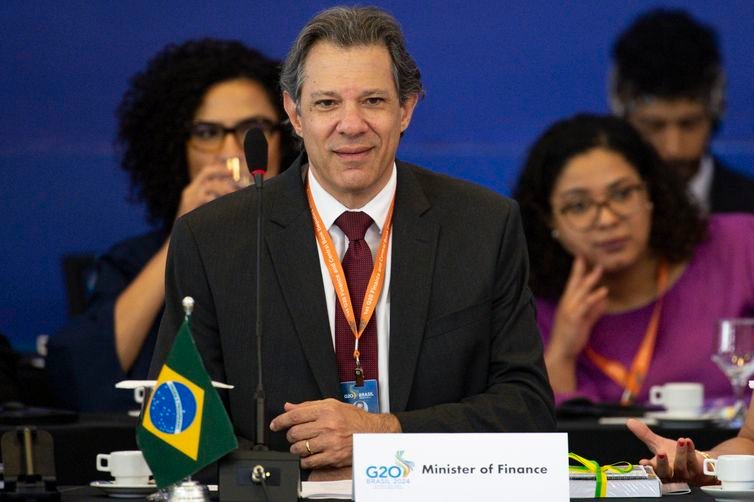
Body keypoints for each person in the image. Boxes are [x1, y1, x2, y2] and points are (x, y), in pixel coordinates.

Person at [151, 6, 555, 481]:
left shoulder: (483, 227)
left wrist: (383, 433)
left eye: (373, 101)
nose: (351, 124)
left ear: (406, 109)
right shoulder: (213, 239)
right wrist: (296, 478)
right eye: (326, 104)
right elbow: (176, 428)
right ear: (293, 114)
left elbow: (527, 411)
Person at [46, 39, 298, 411]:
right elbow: (80, 377)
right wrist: (182, 235)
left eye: (253, 127)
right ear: (175, 148)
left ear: (289, 136)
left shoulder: (323, 244)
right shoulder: (136, 259)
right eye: (208, 133)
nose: (231, 151)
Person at [513, 114, 754, 405]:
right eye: (578, 205)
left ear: (651, 192)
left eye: (623, 193)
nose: (607, 219)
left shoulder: (739, 245)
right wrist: (562, 352)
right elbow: (549, 436)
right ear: (548, 219)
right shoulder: (532, 312)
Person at [610, 8, 754, 214]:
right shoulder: (595, 221)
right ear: (622, 116)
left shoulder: (749, 211)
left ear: (716, 114)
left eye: (689, 124)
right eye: (653, 126)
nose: (673, 149)